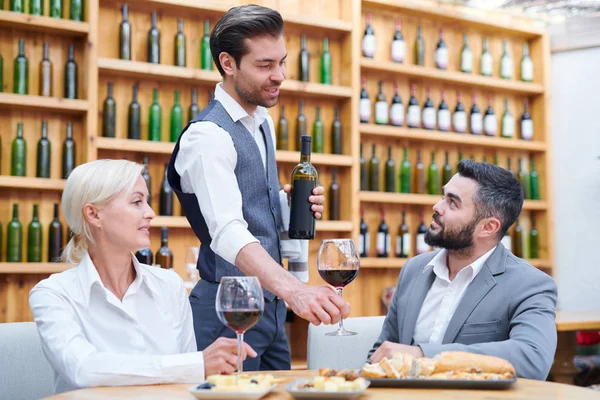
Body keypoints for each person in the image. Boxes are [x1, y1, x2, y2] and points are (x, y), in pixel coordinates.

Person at [167, 4, 349, 371]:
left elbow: (251, 210)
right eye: (265, 65)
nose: (279, 75)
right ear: (228, 63)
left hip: (269, 311)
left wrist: (285, 207)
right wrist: (296, 290)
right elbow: (228, 232)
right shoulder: (207, 137)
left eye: (282, 62)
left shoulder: (261, 122)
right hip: (227, 312)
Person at [29, 160, 255, 394]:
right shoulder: (53, 294)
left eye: (147, 202)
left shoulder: (170, 285)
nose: (150, 213)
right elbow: (83, 369)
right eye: (137, 202)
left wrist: (197, 367)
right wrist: (196, 364)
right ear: (93, 214)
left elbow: (188, 382)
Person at [368, 160, 558, 380]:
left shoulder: (530, 284)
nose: (437, 207)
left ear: (488, 227)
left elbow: (533, 358)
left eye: (452, 203)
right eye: (443, 196)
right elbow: (381, 353)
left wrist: (423, 354)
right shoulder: (414, 269)